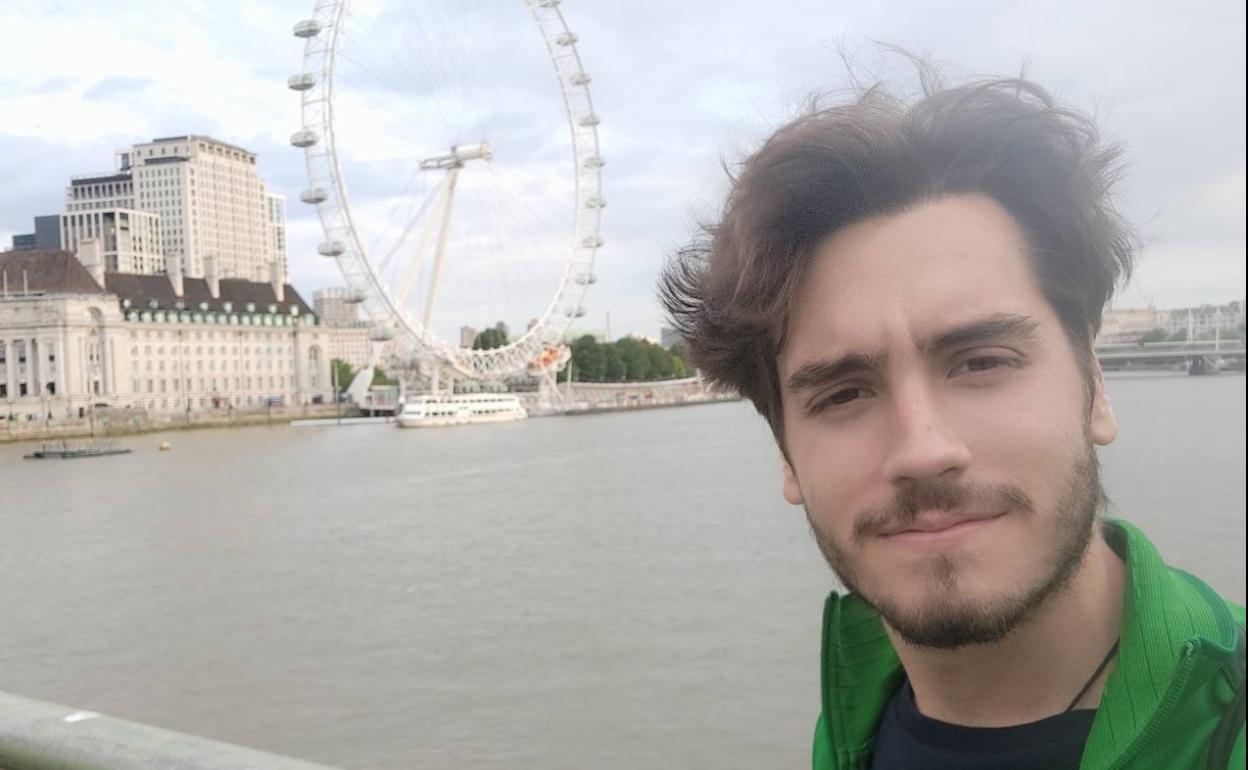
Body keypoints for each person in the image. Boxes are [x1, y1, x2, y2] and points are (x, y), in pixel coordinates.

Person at [659, 67, 1245, 769]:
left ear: (1094, 383)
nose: (923, 448)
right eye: (843, 394)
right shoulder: (856, 721)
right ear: (786, 452)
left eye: (981, 362)